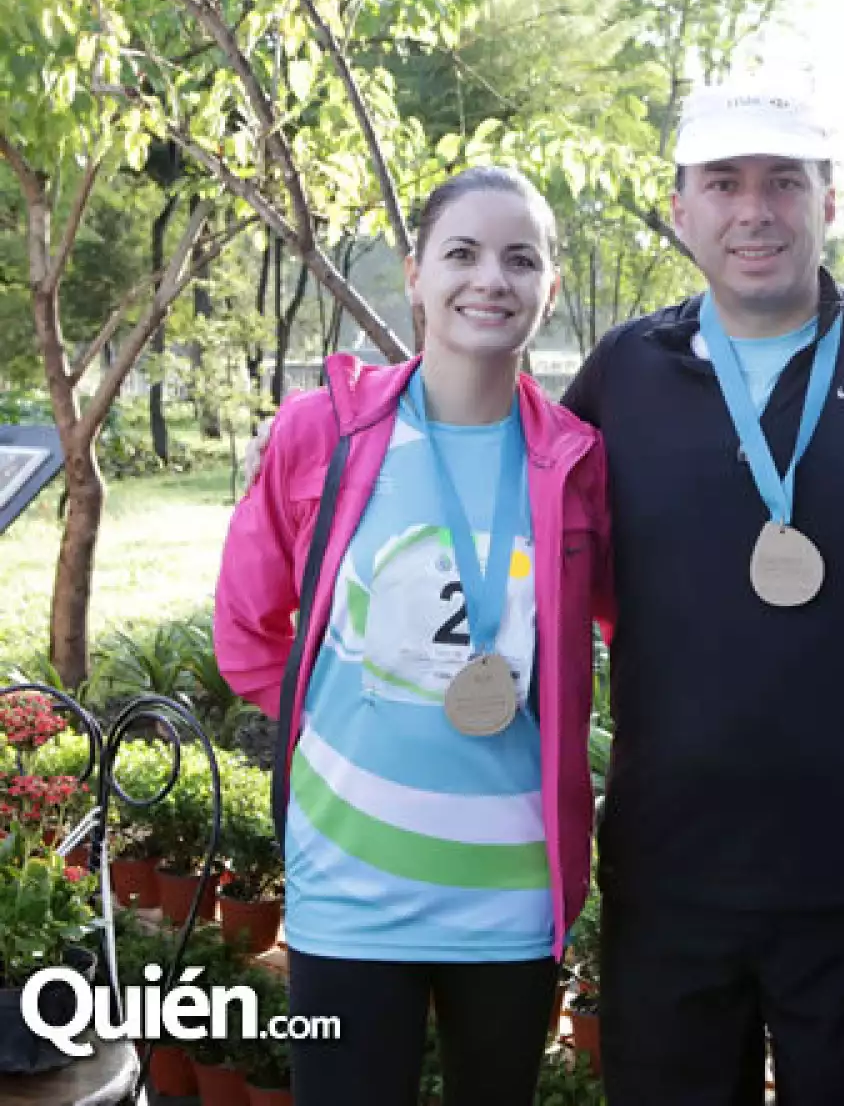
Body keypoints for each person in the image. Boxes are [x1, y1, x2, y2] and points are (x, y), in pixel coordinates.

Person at [560, 82, 844, 1106]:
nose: (755, 211)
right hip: (670, 870)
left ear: (827, 202)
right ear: (680, 209)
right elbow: (530, 531)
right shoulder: (624, 372)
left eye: (784, 181)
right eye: (724, 183)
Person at [213, 166, 610, 1106]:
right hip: (348, 887)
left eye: (521, 260)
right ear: (416, 273)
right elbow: (247, 631)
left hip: (510, 894)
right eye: (462, 253)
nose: (491, 279)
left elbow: (629, 627)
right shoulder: (324, 434)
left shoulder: (577, 462)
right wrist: (338, 725)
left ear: (550, 288)